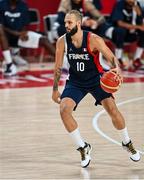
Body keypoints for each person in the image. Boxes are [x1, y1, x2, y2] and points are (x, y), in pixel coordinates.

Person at [52, 10, 140, 168]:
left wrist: (116, 69)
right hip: (76, 81)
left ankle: (127, 142)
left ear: (78, 23)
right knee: (64, 110)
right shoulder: (62, 41)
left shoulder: (93, 39)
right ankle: (83, 147)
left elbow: (111, 56)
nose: (66, 25)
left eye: (69, 22)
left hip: (96, 80)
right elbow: (58, 67)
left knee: (112, 109)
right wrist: (54, 89)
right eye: (65, 22)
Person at [0, 0, 55, 76]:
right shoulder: (1, 4)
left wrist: (24, 32)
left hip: (19, 37)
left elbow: (25, 23)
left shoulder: (23, 5)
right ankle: (10, 65)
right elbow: (1, 26)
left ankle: (65, 64)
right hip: (5, 37)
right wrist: (16, 33)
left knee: (44, 40)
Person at [100, 0, 144, 70]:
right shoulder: (119, 4)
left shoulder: (136, 5)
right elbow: (119, 23)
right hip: (114, 32)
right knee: (121, 31)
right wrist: (138, 27)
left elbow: (140, 23)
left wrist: (139, 14)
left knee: (142, 32)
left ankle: (137, 60)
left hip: (128, 33)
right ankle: (118, 59)